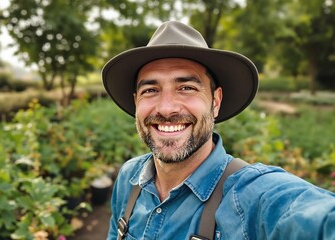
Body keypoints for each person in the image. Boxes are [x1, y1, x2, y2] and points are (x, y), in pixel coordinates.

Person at [101, 21, 335, 240]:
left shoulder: (251, 196)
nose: (166, 108)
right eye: (150, 90)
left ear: (215, 101)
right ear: (136, 102)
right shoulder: (128, 178)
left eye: (186, 87)